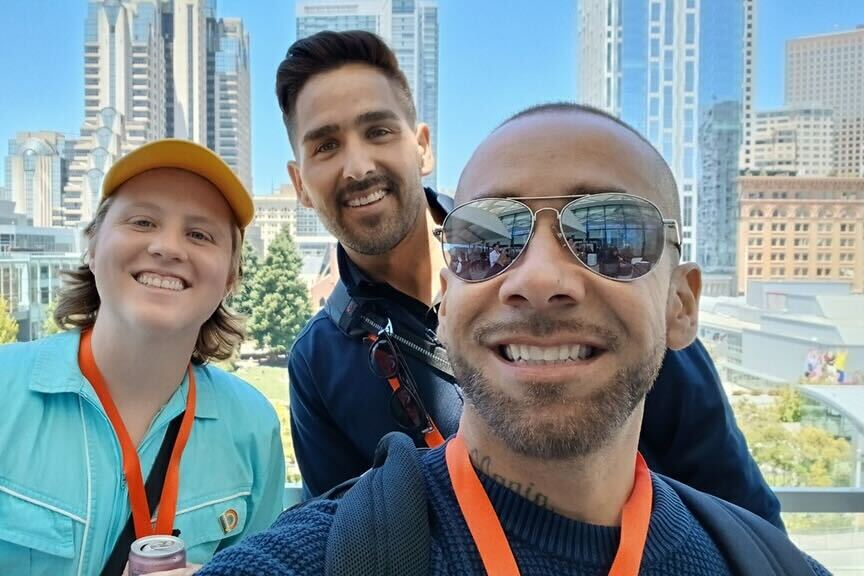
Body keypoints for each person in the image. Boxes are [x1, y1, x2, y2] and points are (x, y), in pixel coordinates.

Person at [195, 104, 829, 576]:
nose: (538, 279)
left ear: (681, 305)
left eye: (609, 234)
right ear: (446, 302)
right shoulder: (315, 559)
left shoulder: (764, 562)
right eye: (489, 239)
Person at [276, 29, 783, 529]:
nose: (358, 165)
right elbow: (339, 536)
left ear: (422, 147)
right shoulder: (319, 360)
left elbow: (743, 518)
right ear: (299, 184)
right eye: (325, 146)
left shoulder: (617, 279)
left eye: (379, 131)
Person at [0, 140, 285, 575]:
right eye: (143, 221)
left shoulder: (251, 425)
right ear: (91, 247)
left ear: (230, 276)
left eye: (199, 234)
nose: (168, 247)